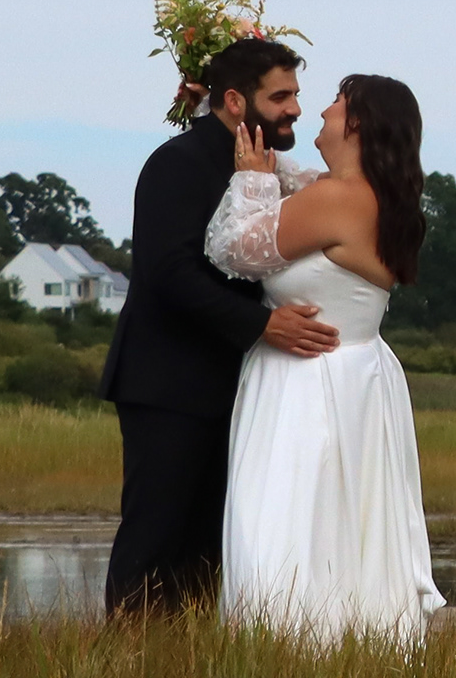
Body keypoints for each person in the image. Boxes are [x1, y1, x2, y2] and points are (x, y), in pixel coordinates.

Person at [102, 37, 339, 615]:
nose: (295, 109)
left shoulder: (272, 169)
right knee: (157, 531)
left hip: (239, 386)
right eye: (280, 97)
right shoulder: (177, 164)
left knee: (217, 540)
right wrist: (263, 325)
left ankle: (195, 652)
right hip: (168, 383)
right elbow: (169, 274)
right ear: (234, 101)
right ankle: (126, 652)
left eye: (296, 95)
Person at [207, 74, 445, 643]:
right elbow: (296, 181)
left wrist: (251, 181)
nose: (320, 111)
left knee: (283, 527)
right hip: (360, 379)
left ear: (357, 122)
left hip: (309, 386)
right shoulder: (374, 197)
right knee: (342, 530)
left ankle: (289, 648)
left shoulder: (335, 200)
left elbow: (233, 250)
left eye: (336, 103)